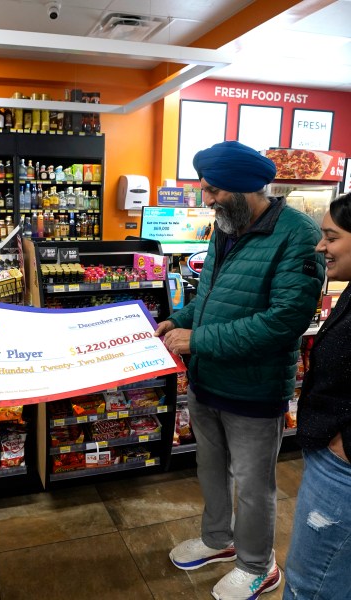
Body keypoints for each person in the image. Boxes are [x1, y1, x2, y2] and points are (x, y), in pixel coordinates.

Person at [155, 141, 325, 599]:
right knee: (210, 468)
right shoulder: (224, 227)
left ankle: (258, 565)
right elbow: (210, 295)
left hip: (254, 388)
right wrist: (180, 320)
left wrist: (199, 340)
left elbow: (285, 320)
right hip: (208, 381)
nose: (205, 199)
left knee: (254, 486)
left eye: (212, 190)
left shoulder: (298, 235)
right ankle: (218, 541)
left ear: (245, 189)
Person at [284, 192, 351, 600]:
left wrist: (343, 448)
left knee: (311, 583)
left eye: (332, 237)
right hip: (331, 455)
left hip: (341, 472)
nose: (320, 246)